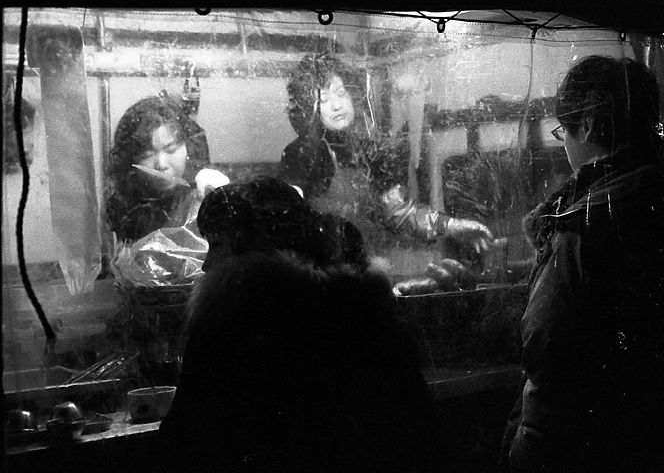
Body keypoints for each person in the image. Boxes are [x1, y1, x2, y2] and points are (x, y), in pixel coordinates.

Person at [498, 55, 664, 472]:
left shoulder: (584, 227)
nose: (565, 144)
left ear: (586, 126)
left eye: (563, 131)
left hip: (594, 446)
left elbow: (547, 354)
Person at [156, 176, 448, 473]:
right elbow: (419, 430)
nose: (206, 264)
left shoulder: (227, 323)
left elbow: (185, 440)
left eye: (216, 244)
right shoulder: (363, 307)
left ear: (251, 243)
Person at [279, 51, 500, 258]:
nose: (337, 105)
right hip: (324, 272)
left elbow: (397, 211)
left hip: (367, 266)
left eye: (341, 93)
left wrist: (451, 226)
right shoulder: (300, 154)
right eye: (324, 99)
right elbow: (289, 223)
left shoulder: (365, 151)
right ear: (308, 108)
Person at [106, 92, 228, 243]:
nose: (161, 165)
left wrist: (224, 200)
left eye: (171, 150)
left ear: (188, 148)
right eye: (146, 155)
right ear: (130, 160)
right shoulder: (121, 208)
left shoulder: (205, 189)